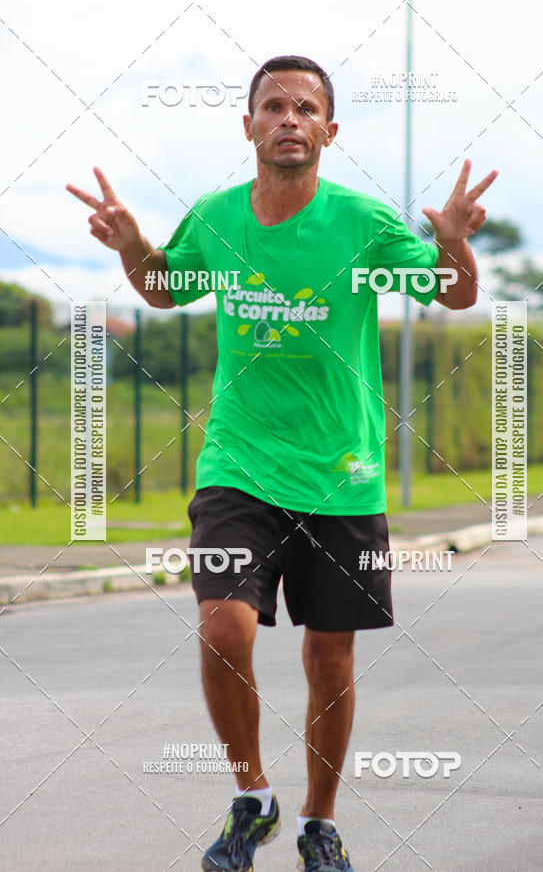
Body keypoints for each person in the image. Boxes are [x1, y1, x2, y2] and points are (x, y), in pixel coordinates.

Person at [67, 54, 497, 872]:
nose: (289, 118)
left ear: (330, 131)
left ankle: (316, 823)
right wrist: (130, 245)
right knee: (224, 625)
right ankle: (251, 797)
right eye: (274, 106)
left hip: (343, 474)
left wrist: (451, 244)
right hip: (239, 461)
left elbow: (455, 295)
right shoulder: (219, 216)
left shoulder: (363, 223)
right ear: (250, 126)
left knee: (330, 654)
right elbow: (165, 288)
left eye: (306, 108)